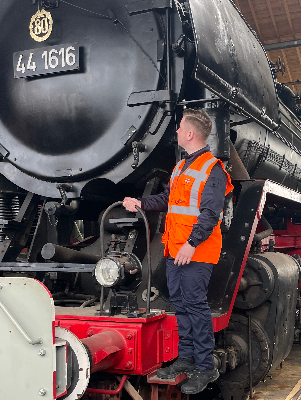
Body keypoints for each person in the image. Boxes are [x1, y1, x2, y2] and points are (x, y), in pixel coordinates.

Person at [123, 108, 233, 394]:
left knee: (195, 306)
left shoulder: (213, 169)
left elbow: (210, 214)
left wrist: (191, 244)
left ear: (190, 134)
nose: (177, 131)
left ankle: (205, 367)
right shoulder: (181, 167)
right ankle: (186, 358)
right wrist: (141, 203)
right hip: (175, 250)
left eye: (180, 127)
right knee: (180, 305)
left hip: (195, 251)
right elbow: (168, 200)